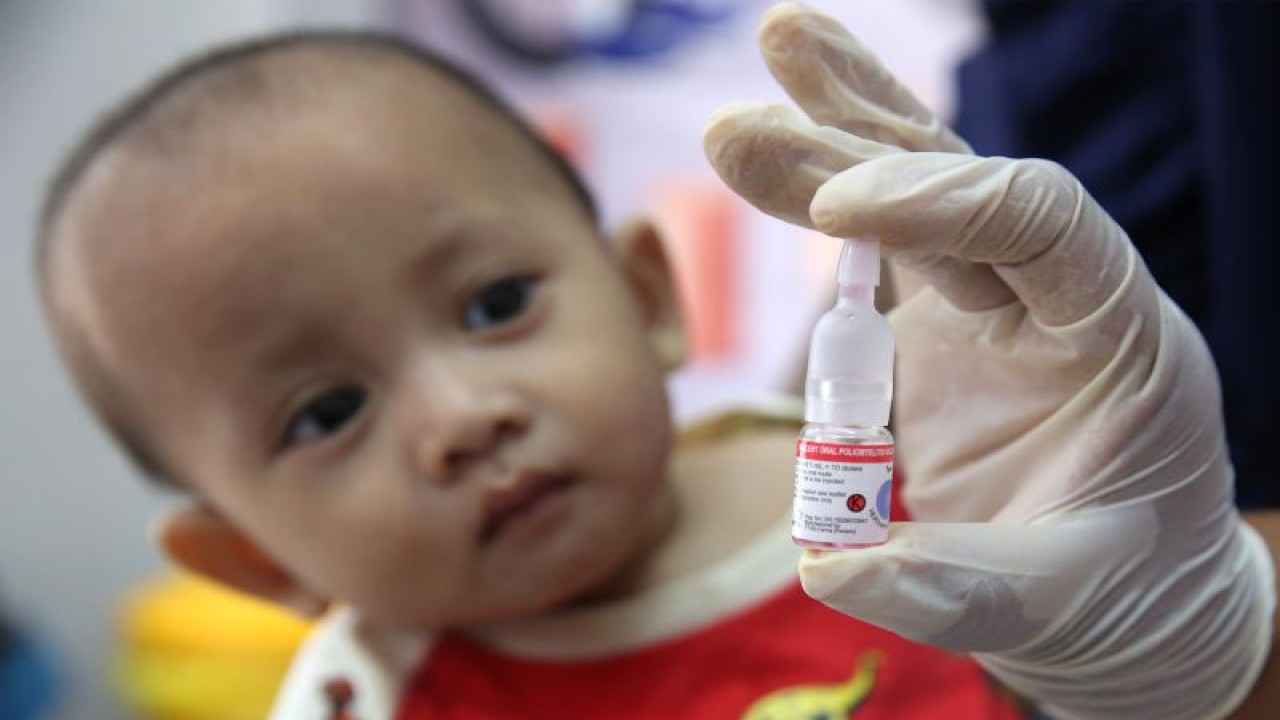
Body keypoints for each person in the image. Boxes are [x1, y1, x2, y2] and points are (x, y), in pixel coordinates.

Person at [32, 5, 1276, 720]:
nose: (463, 418)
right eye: (327, 412)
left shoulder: (907, 484)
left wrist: (1188, 658)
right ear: (254, 561)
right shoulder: (370, 696)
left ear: (644, 297)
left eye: (496, 303)